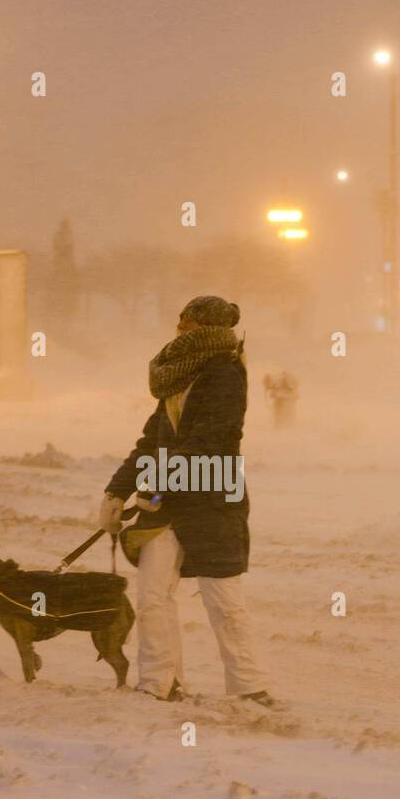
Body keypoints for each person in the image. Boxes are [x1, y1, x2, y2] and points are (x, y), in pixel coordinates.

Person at [99, 295, 272, 705]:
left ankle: (249, 687)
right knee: (152, 597)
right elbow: (150, 442)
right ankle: (159, 683)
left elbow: (210, 442)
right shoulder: (178, 379)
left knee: (223, 600)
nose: (178, 326)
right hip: (169, 504)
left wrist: (158, 486)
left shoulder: (226, 375)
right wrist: (117, 490)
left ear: (204, 327)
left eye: (186, 320)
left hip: (213, 502)